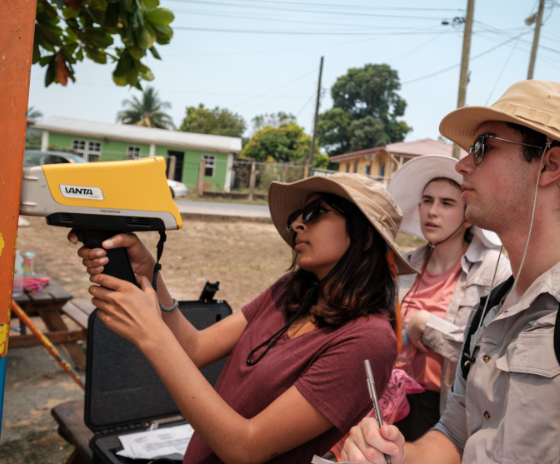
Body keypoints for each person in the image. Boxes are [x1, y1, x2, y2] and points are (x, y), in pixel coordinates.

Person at [69, 173, 417, 464]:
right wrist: (148, 273)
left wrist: (151, 335)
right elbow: (196, 347)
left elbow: (245, 447)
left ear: (366, 237)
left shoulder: (368, 340)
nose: (297, 223)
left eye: (316, 213)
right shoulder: (290, 291)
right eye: (298, 214)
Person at [341, 79, 560, 464]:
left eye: (483, 146)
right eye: (427, 201)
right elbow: (457, 435)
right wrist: (395, 453)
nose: (463, 165)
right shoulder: (490, 311)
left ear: (549, 164)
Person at [386, 155, 511, 441]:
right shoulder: (401, 266)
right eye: (427, 201)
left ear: (469, 216)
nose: (432, 211)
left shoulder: (495, 270)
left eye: (446, 203)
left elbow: (493, 349)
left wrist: (427, 325)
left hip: (447, 410)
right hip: (392, 400)